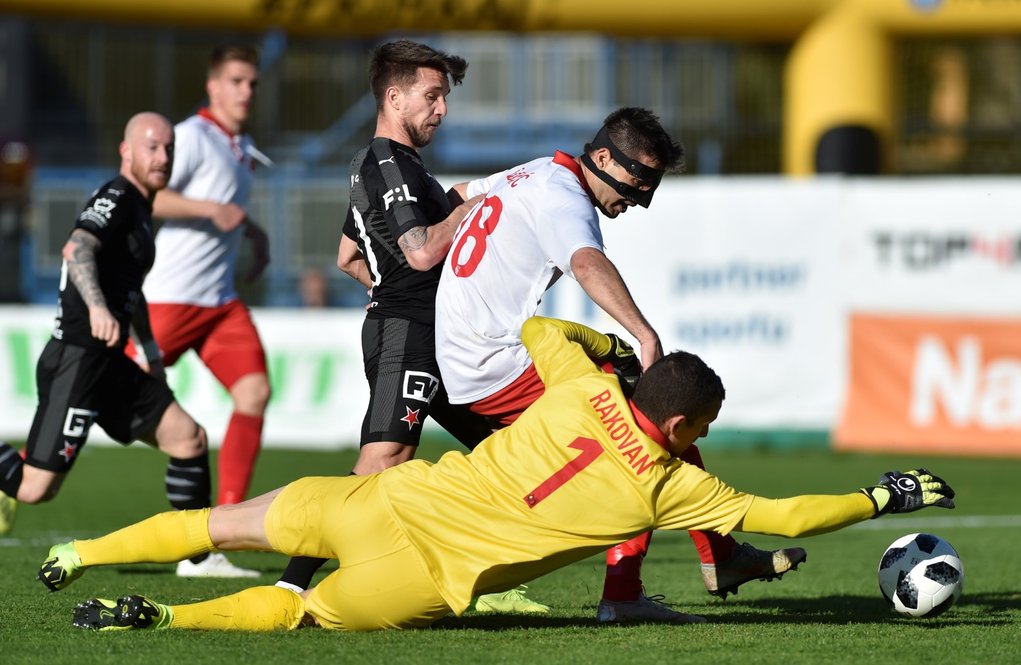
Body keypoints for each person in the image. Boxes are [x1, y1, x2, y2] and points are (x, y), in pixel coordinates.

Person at [37, 316, 958, 633]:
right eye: (701, 428)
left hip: (386, 495)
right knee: (305, 614)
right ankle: (165, 617)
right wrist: (884, 494)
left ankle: (79, 549)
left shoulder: (577, 389)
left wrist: (608, 350)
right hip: (424, 575)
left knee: (221, 523)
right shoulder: (670, 484)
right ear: (680, 426)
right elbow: (788, 515)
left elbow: (541, 333)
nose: (700, 439)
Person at [434, 108, 805, 623]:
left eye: (649, 188)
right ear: (602, 156)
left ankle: (717, 558)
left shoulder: (535, 172)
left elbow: (457, 194)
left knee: (650, 421)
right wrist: (645, 333)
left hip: (471, 356)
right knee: (642, 434)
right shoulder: (566, 197)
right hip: (495, 362)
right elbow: (586, 263)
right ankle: (635, 591)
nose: (639, 199)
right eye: (635, 183)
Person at [273, 39, 531, 614]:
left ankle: (476, 580)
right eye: (432, 96)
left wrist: (390, 278)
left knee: (505, 453)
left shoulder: (398, 167)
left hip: (435, 333)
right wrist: (469, 206)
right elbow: (418, 253)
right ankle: (291, 586)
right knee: (384, 458)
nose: (442, 109)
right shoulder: (389, 162)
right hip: (409, 332)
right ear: (394, 96)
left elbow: (347, 254)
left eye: (445, 98)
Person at [0, 113, 215, 545]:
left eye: (169, 149)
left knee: (190, 438)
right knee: (34, 489)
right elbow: (76, 245)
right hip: (78, 360)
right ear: (127, 151)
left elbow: (130, 292)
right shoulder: (117, 195)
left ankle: (200, 557)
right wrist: (97, 309)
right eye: (152, 147)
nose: (162, 157)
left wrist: (150, 351)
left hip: (111, 363)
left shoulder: (142, 209)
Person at [131, 45, 271, 578]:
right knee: (106, 390)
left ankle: (219, 533)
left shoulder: (239, 145)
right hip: (171, 297)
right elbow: (147, 196)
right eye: (236, 81)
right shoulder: (189, 136)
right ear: (213, 86)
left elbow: (226, 207)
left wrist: (254, 232)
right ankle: (24, 473)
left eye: (253, 83)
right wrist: (210, 209)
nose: (246, 91)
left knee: (254, 392)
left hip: (219, 304)